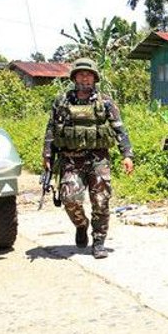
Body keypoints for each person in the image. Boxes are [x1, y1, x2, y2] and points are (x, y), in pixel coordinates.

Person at [42, 58, 135, 258]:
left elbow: (119, 130)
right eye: (81, 74)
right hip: (70, 160)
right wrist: (47, 155)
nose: (85, 77)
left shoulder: (106, 102)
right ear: (74, 77)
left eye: (88, 74)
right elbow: (51, 128)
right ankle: (81, 225)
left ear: (94, 78)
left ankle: (99, 242)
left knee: (101, 202)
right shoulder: (62, 101)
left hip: (98, 159)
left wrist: (127, 155)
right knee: (69, 199)